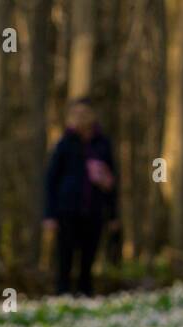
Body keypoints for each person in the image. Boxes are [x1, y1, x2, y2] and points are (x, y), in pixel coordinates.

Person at [43, 98, 119, 296]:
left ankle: (86, 294)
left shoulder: (103, 144)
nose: (80, 119)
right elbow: (51, 180)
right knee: (65, 257)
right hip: (67, 209)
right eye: (76, 115)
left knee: (88, 257)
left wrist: (113, 215)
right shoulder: (64, 144)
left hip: (94, 209)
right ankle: (62, 295)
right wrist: (49, 214)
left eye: (84, 114)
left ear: (93, 116)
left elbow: (112, 181)